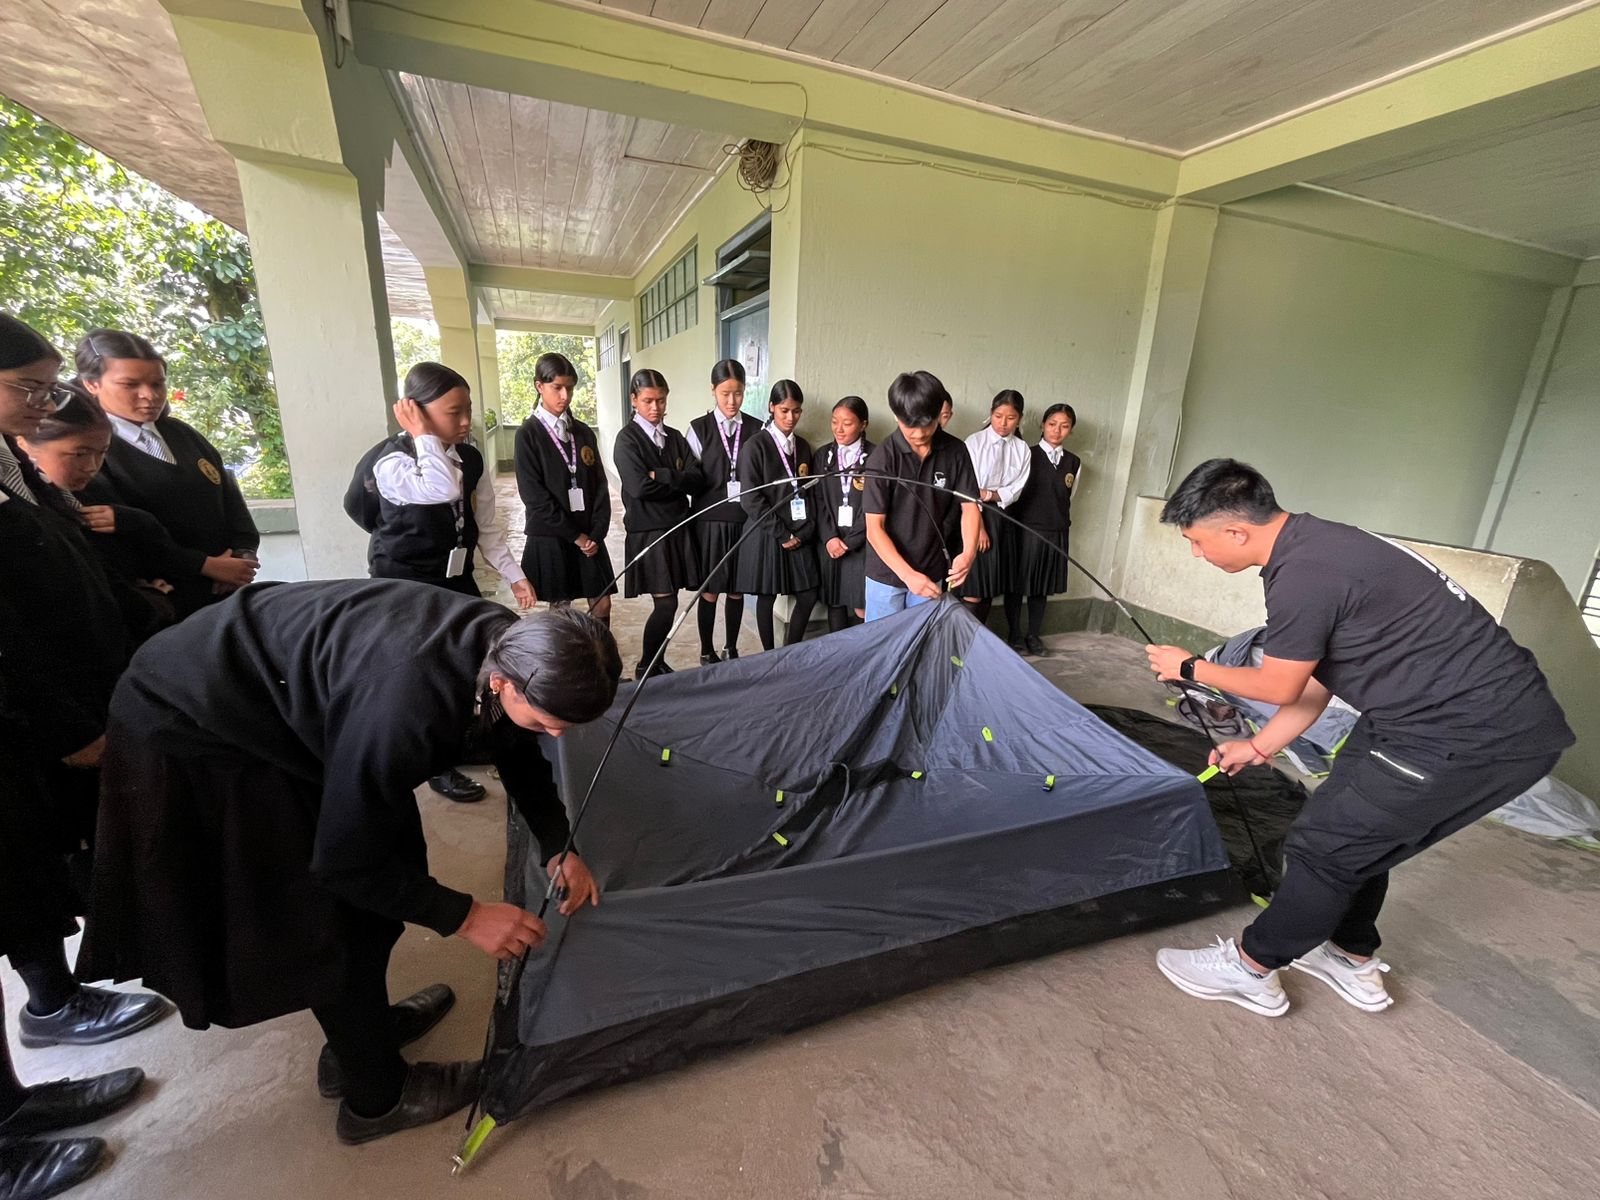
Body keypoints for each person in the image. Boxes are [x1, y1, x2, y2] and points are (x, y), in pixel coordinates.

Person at [78, 583, 621, 1145]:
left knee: (388, 863)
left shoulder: (512, 646)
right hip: (198, 725)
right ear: (503, 682)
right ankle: (376, 1097)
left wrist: (559, 841)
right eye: (546, 721)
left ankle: (363, 1035)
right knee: (326, 916)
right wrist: (466, 916)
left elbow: (514, 743)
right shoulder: (408, 706)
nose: (556, 735)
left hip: (280, 699)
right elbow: (344, 864)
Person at [1147, 459, 1574, 1018]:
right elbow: (1315, 677)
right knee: (1357, 831)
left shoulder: (1303, 574)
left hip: (1458, 734)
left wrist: (1191, 669)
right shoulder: (1323, 545)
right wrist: (1258, 746)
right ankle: (1349, 955)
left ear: (1236, 530)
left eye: (1197, 543)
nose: (1198, 555)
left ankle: (1252, 967)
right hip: (1440, 718)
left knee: (1324, 850)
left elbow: (1277, 682)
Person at [0, 315, 171, 1060]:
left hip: (82, 688)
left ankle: (66, 988)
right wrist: (68, 727)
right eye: (28, 389)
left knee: (56, 852)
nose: (41, 403)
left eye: (46, 387)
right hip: (33, 717)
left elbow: (75, 571)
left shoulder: (13, 467)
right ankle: (51, 999)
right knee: (24, 865)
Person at [345, 361, 534, 803]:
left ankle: (469, 739)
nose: (467, 421)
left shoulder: (469, 456)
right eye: (454, 412)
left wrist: (516, 575)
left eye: (468, 409)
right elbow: (439, 489)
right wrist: (423, 437)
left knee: (474, 662)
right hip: (404, 585)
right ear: (416, 411)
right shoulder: (391, 460)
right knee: (421, 675)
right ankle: (435, 765)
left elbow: (485, 525)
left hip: (455, 576)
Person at [74, 329, 260, 618]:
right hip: (165, 598)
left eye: (157, 383)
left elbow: (229, 498)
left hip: (228, 589)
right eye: (130, 384)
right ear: (91, 384)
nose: (149, 395)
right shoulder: (91, 450)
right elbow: (123, 537)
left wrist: (242, 555)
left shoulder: (182, 434)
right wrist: (204, 566)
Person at [19, 383, 185, 640]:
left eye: (102, 453)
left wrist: (137, 522)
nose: (91, 467)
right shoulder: (29, 512)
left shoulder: (98, 492)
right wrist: (150, 601)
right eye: (79, 454)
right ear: (23, 444)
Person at [862, 371, 980, 622]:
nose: (917, 433)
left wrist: (968, 553)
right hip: (887, 574)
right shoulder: (883, 458)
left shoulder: (956, 451)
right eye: (909, 425)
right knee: (883, 647)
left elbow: (970, 506)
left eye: (926, 424)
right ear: (896, 415)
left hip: (931, 568)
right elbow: (874, 528)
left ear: (940, 413)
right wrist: (907, 575)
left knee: (921, 644)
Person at [612, 369, 704, 679]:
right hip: (649, 532)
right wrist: (676, 483)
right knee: (665, 603)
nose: (656, 408)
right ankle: (645, 665)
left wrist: (662, 475)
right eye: (649, 401)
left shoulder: (675, 437)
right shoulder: (627, 440)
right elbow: (638, 488)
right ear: (633, 400)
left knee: (672, 601)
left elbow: (697, 480)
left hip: (677, 528)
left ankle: (656, 661)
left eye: (661, 401)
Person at [512, 352, 615, 626]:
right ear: (539, 386)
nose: (565, 395)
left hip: (589, 536)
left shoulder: (582, 432)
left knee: (602, 601)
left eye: (569, 387)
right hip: (553, 533)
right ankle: (564, 664)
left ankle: (602, 664)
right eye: (557, 387)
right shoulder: (528, 435)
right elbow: (534, 498)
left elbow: (600, 486)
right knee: (560, 607)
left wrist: (596, 533)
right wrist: (576, 536)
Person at [685, 359, 763, 665]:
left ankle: (731, 648)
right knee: (711, 590)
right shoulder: (698, 429)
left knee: (737, 589)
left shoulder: (757, 429)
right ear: (713, 391)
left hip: (743, 521)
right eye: (725, 393)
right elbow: (690, 477)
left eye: (739, 393)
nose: (732, 401)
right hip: (709, 522)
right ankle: (707, 649)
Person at [735, 380, 819, 650]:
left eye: (796, 411)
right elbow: (751, 498)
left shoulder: (803, 447)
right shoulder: (755, 446)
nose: (790, 417)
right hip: (768, 532)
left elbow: (810, 492)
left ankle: (790, 648)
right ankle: (769, 653)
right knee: (767, 595)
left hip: (799, 531)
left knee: (808, 593)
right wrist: (782, 533)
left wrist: (803, 531)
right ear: (771, 407)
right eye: (783, 410)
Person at [1010, 403, 1080, 656]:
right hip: (1026, 529)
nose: (1057, 430)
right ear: (1042, 425)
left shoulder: (1073, 462)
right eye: (1052, 424)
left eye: (1064, 426)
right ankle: (1014, 634)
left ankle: (1033, 635)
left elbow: (1069, 496)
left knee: (1041, 588)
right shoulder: (1026, 455)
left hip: (1056, 530)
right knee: (1018, 585)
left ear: (1071, 430)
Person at [959, 390, 1031, 636]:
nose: (1003, 423)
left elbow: (1016, 489)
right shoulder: (974, 442)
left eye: (1010, 418)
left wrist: (991, 494)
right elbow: (967, 489)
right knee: (974, 587)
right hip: (973, 516)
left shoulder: (1022, 449)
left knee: (991, 585)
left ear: (1019, 419)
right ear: (991, 414)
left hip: (1002, 518)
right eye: (998, 416)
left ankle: (979, 641)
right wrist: (978, 528)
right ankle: (960, 642)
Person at [812, 395, 872, 631]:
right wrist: (829, 537)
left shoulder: (876, 457)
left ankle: (862, 656)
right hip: (831, 542)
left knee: (860, 604)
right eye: (835, 421)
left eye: (847, 423)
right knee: (834, 600)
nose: (839, 429)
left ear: (863, 425)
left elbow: (874, 506)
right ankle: (837, 653)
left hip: (861, 544)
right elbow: (818, 500)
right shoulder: (822, 455)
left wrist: (850, 541)